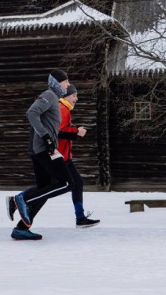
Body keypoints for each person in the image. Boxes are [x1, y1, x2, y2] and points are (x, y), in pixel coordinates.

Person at [6, 69, 74, 240]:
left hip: (44, 147)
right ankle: (21, 200)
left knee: (45, 188)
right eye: (65, 81)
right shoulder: (49, 95)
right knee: (66, 183)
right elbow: (31, 113)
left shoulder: (54, 99)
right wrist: (46, 137)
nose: (68, 85)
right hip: (44, 148)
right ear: (56, 83)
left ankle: (21, 228)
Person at [58, 84, 100, 228]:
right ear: (66, 96)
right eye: (74, 95)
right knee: (51, 187)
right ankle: (20, 200)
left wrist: (75, 129)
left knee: (77, 183)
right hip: (59, 157)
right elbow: (59, 132)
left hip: (65, 157)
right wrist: (76, 131)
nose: (77, 98)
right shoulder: (63, 109)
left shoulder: (65, 109)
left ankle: (80, 218)